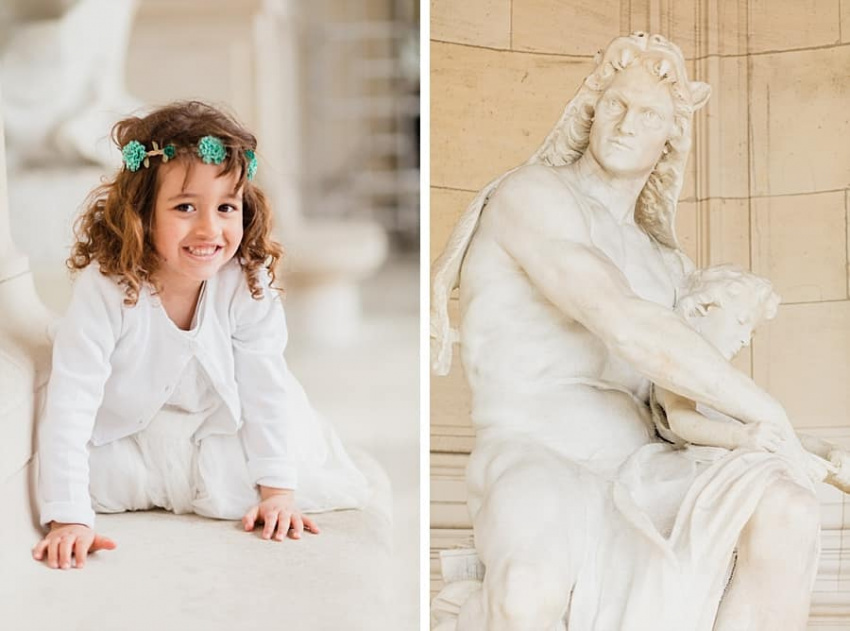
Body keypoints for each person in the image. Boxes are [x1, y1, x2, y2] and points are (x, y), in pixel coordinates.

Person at [431, 33, 820, 630]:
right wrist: (769, 411)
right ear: (590, 111)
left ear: (672, 137)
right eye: (614, 104)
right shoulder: (532, 196)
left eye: (647, 114)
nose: (624, 123)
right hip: (537, 456)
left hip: (645, 470)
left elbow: (675, 411)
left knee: (785, 505)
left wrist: (781, 445)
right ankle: (472, 611)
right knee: (528, 591)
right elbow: (620, 318)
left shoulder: (665, 265)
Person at [31, 101, 369, 571]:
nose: (210, 229)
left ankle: (229, 480)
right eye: (186, 207)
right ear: (142, 213)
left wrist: (276, 492)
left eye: (226, 207)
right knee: (96, 482)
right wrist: (68, 518)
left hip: (217, 421)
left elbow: (262, 386)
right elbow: (73, 399)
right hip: (134, 430)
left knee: (255, 473)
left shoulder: (246, 282)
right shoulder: (107, 287)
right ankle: (157, 483)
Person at [653, 264, 850, 491]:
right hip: (697, 472)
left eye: (752, 333)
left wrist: (826, 450)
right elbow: (680, 419)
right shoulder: (679, 363)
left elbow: (776, 434)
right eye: (741, 323)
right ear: (702, 309)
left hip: (734, 468)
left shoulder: (726, 383)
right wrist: (738, 436)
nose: (745, 340)